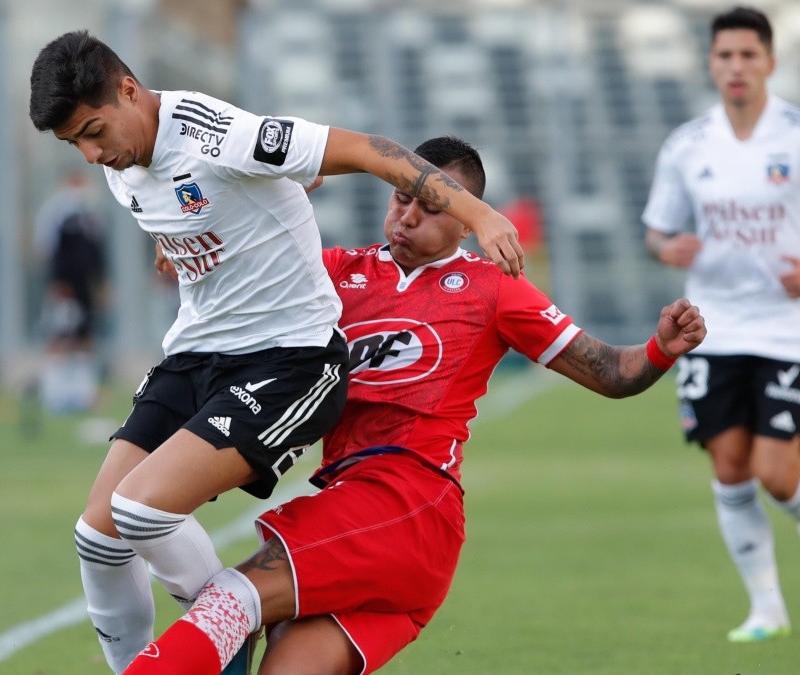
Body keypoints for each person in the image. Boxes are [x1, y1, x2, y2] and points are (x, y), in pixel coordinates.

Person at [27, 32, 525, 674]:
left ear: (128, 90)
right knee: (97, 535)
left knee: (139, 508)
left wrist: (479, 215)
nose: (93, 154)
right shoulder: (127, 164)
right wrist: (178, 243)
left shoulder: (217, 134)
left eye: (94, 131)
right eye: (76, 144)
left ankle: (225, 650)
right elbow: (243, 193)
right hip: (197, 353)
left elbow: (368, 152)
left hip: (288, 361)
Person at [121, 136, 707, 674]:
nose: (407, 216)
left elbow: (610, 372)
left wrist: (661, 348)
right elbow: (246, 275)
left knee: (233, 598)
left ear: (465, 221)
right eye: (402, 198)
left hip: (408, 499)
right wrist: (195, 248)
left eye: (431, 208)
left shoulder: (493, 289)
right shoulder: (333, 275)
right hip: (361, 515)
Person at [641, 6, 800, 643]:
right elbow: (656, 230)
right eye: (725, 56)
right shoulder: (687, 145)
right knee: (731, 469)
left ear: (769, 61)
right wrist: (668, 248)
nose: (736, 67)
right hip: (712, 329)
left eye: (748, 55)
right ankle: (767, 608)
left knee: (776, 472)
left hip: (786, 328)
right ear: (711, 64)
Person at [33, 167, 108, 414]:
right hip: (65, 286)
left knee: (85, 338)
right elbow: (48, 250)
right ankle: (54, 395)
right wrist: (57, 283)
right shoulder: (57, 212)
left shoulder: (92, 213)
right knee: (60, 337)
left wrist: (100, 284)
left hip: (85, 286)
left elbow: (97, 253)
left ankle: (83, 394)